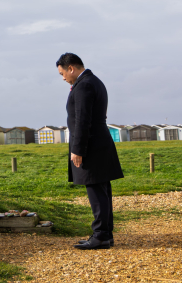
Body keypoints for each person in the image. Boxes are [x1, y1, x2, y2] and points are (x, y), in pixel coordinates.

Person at [56, 52, 124, 250]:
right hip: (100, 142)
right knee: (102, 191)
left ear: (71, 68)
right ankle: (105, 234)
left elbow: (82, 119)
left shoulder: (84, 85)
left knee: (96, 191)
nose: (63, 78)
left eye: (62, 74)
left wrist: (78, 149)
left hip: (91, 146)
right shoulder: (94, 81)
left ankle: (101, 236)